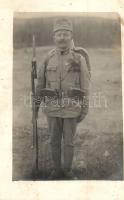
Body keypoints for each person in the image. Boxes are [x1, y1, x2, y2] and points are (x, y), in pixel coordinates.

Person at [35, 18, 91, 180]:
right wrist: (35, 108)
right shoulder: (48, 58)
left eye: (65, 34)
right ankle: (56, 170)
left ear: (71, 36)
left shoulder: (79, 58)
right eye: (59, 34)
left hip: (71, 107)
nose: (62, 38)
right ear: (54, 37)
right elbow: (40, 85)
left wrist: (84, 108)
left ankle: (67, 170)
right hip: (52, 107)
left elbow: (85, 85)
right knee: (53, 141)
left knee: (69, 142)